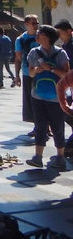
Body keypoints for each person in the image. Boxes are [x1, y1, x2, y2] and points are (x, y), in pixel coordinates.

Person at [26, 25, 70, 170]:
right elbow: (30, 73)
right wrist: (37, 70)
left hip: (56, 97)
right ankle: (38, 157)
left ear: (48, 37)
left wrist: (50, 69)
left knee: (58, 126)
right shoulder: (34, 52)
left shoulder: (60, 53)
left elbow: (67, 74)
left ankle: (60, 157)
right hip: (38, 95)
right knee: (40, 126)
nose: (37, 35)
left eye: (40, 33)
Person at [15, 15, 39, 131]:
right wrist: (17, 76)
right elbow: (18, 58)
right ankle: (37, 126)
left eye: (36, 23)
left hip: (43, 72)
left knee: (44, 99)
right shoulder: (21, 39)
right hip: (27, 73)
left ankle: (45, 126)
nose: (36, 26)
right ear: (27, 24)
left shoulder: (42, 36)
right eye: (33, 23)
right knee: (31, 100)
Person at [54, 19, 73, 154]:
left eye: (61, 33)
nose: (60, 37)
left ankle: (69, 147)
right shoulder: (66, 45)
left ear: (69, 31)